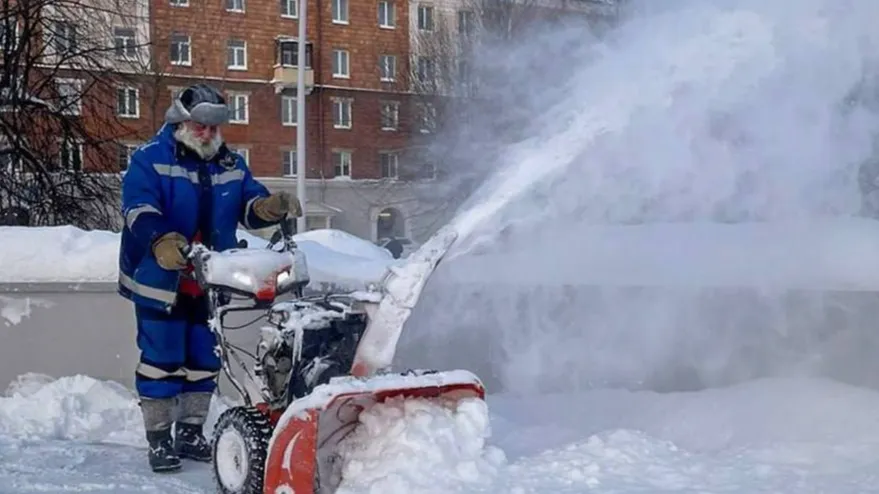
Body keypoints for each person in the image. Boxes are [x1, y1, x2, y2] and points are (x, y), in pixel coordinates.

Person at [117, 83, 302, 473]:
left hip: (212, 281)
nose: (207, 134)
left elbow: (249, 205)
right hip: (160, 278)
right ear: (180, 122)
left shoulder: (230, 163)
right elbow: (138, 208)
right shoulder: (149, 159)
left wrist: (269, 207)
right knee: (162, 359)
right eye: (200, 126)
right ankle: (159, 439)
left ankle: (190, 431)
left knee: (204, 359)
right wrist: (160, 239)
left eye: (214, 127)